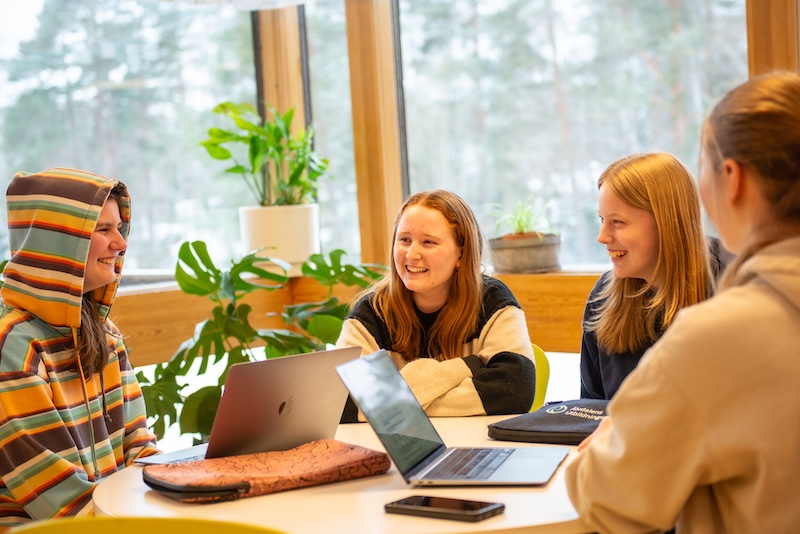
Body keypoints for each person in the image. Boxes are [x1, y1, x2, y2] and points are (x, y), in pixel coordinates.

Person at [565, 70, 800, 532]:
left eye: (704, 169)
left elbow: (607, 497)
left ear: (731, 178)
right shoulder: (610, 300)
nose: (602, 237)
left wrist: (618, 428)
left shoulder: (718, 332)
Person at [0, 168, 159, 527]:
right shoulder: (12, 347)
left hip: (114, 523)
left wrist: (177, 496)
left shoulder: (105, 334)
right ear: (58, 242)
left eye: (119, 228)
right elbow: (59, 501)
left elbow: (140, 447)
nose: (121, 243)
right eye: (103, 230)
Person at [336, 189, 536, 421]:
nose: (411, 254)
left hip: (472, 446)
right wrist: (466, 367)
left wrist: (388, 407)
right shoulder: (370, 313)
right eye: (404, 240)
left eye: (428, 242)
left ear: (461, 254)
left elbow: (515, 389)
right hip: (400, 450)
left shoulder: (493, 302)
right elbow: (340, 401)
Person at [580, 152, 733, 400]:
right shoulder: (603, 298)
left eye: (617, 222)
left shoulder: (734, 285)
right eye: (601, 219)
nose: (602, 237)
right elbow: (590, 413)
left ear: (666, 222)